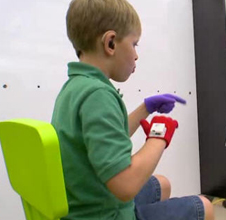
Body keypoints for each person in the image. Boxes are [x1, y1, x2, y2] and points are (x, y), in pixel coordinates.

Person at [51, 0, 214, 220]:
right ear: (110, 43)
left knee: (162, 184)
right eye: (134, 44)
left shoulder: (75, 87)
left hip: (84, 202)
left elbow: (102, 141)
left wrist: (145, 109)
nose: (136, 55)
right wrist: (159, 137)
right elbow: (126, 184)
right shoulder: (98, 95)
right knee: (203, 206)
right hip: (103, 214)